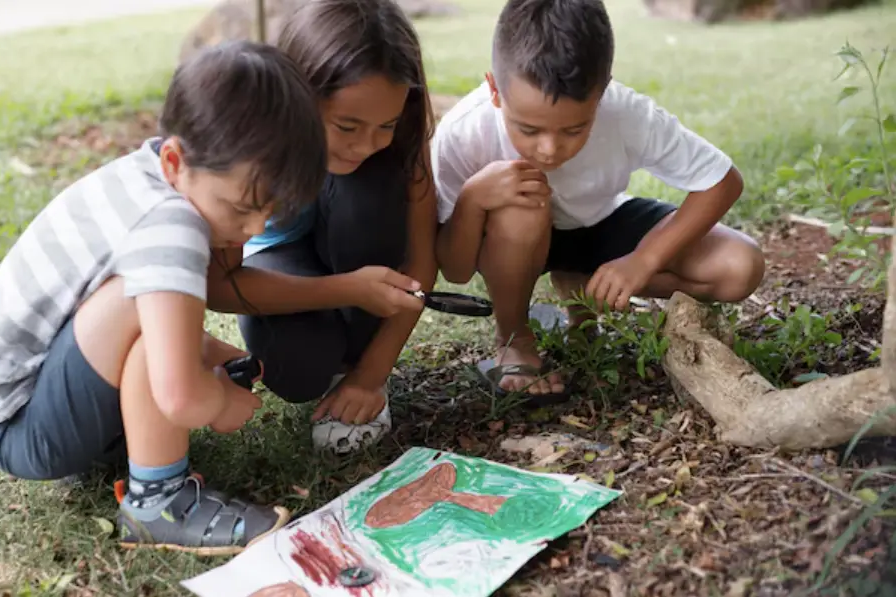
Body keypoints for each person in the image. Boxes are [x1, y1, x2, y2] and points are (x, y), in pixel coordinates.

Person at [0, 41, 327, 554]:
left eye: (271, 211)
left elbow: (142, 320)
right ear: (175, 159)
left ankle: (130, 446)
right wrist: (220, 402)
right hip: (23, 428)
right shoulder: (171, 226)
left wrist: (208, 355)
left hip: (25, 400)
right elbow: (178, 394)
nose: (253, 228)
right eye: (241, 208)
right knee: (147, 318)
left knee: (150, 307)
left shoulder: (145, 179)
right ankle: (159, 504)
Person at [432, 0, 766, 401]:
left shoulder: (626, 113)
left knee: (739, 266)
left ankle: (584, 286)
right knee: (523, 199)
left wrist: (644, 259)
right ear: (494, 90)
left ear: (603, 91)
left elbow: (722, 181)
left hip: (600, 220)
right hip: (512, 239)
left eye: (575, 129)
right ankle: (514, 333)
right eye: (528, 128)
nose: (550, 149)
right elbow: (454, 269)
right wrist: (472, 198)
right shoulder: (463, 132)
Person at [207, 0, 438, 454]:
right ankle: (330, 370)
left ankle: (354, 372)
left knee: (365, 197)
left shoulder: (402, 139)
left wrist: (371, 377)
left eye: (385, 125)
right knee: (300, 367)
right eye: (346, 126)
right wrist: (346, 289)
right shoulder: (252, 142)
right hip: (276, 266)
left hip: (355, 245)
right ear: (299, 93)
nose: (366, 144)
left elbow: (421, 264)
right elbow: (218, 286)